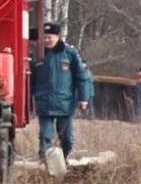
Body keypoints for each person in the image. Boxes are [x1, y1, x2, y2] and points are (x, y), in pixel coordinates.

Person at [29, 21, 93, 175]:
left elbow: (82, 77)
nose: (47, 40)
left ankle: (62, 161)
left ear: (57, 36)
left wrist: (83, 99)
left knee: (67, 139)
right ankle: (46, 165)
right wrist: (28, 102)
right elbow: (29, 81)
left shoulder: (70, 53)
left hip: (65, 104)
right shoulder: (37, 55)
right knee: (45, 136)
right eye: (44, 37)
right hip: (44, 103)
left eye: (50, 37)